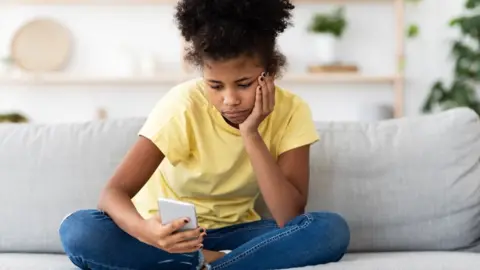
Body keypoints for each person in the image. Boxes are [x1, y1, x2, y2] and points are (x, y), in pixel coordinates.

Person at [58, 0, 350, 269]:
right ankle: (220, 262)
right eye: (215, 86)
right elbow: (112, 194)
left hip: (238, 233)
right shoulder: (183, 105)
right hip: (170, 234)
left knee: (329, 229)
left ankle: (206, 263)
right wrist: (148, 232)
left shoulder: (292, 111)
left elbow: (290, 216)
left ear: (269, 73)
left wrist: (251, 134)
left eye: (244, 84)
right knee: (80, 229)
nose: (230, 99)